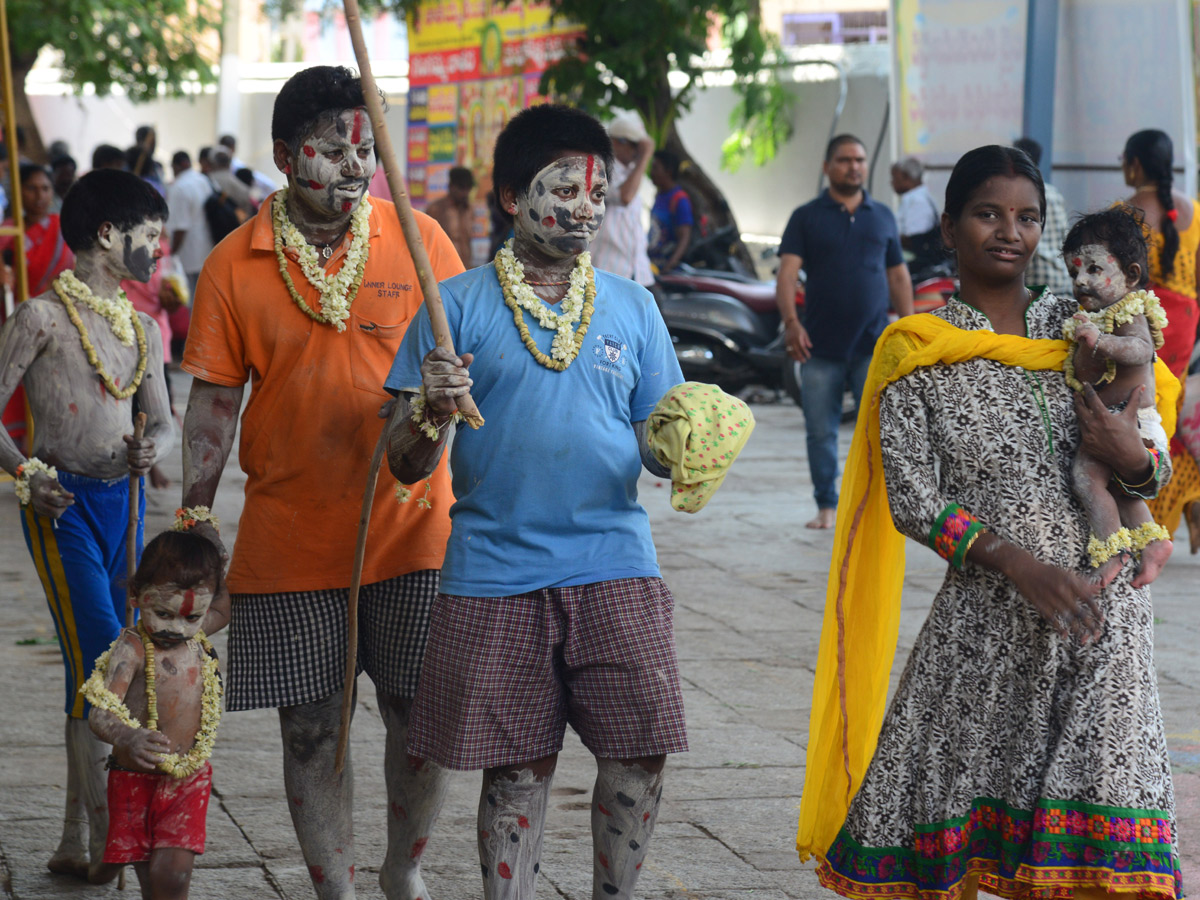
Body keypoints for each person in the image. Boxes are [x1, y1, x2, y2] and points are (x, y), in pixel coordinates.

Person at [797, 144, 1183, 900]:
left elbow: (1155, 459)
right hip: (988, 627)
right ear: (948, 226)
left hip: (1104, 623)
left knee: (1101, 861)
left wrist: (1129, 458)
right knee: (954, 832)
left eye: (1028, 217)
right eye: (989, 214)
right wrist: (1020, 566)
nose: (1011, 232)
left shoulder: (1083, 327)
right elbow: (914, 498)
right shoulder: (918, 352)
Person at [383, 102, 688, 900]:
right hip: (492, 571)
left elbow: (660, 445)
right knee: (518, 767)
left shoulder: (635, 307)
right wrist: (429, 411)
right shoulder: (453, 309)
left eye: (599, 191)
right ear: (514, 198)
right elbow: (406, 466)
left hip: (617, 561)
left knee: (638, 755)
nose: (587, 206)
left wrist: (692, 444)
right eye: (568, 188)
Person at [179, 65, 463, 900]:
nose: (353, 166)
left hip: (416, 527)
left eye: (366, 149)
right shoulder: (233, 265)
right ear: (281, 156)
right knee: (309, 732)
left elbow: (463, 362)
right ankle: (334, 889)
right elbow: (212, 406)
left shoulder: (422, 242)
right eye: (332, 150)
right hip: (290, 535)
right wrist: (196, 509)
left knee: (421, 723)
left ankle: (402, 872)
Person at [0, 168, 174, 882]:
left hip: (124, 507)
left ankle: (80, 838)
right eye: (150, 237)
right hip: (62, 507)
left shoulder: (143, 327)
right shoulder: (39, 317)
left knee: (99, 667)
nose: (160, 251)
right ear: (108, 235)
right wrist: (24, 474)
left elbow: (162, 421)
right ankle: (106, 838)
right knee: (103, 662)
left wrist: (150, 449)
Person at [774, 133, 914, 530]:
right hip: (818, 345)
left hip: (873, 344)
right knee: (820, 432)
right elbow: (787, 275)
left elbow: (898, 276)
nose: (854, 166)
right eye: (844, 160)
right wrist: (791, 324)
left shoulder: (882, 215)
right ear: (827, 167)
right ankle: (827, 507)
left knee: (879, 433)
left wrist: (907, 329)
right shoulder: (806, 216)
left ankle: (874, 507)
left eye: (860, 160)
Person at [83, 526, 229, 897]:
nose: (176, 629)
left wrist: (220, 561)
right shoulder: (130, 650)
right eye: (163, 613)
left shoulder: (196, 634)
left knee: (173, 875)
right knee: (154, 883)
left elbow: (226, 604)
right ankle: (104, 864)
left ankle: (107, 863)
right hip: (135, 780)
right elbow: (99, 714)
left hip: (187, 778)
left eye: (191, 618)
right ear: (135, 595)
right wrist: (128, 737)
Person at [1060, 207, 1172, 581]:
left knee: (1085, 478)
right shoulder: (1096, 315)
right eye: (1074, 270)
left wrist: (1101, 341)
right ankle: (1151, 543)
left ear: (1131, 275)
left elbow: (1141, 350)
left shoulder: (1128, 310)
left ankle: (1112, 550)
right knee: (1121, 490)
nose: (1080, 281)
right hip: (1116, 425)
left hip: (1134, 423)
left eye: (1094, 269)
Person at [1121, 128, 1200, 553]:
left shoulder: (1122, 214)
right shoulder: (1196, 214)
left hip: (1142, 322)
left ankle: (1143, 511)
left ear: (1134, 165)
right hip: (1185, 323)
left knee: (1135, 408)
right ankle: (1180, 500)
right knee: (1167, 411)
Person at [590, 110, 655, 288]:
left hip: (638, 272)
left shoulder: (630, 172)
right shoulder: (601, 168)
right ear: (616, 142)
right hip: (609, 270)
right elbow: (624, 196)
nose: (637, 152)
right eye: (635, 146)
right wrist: (645, 156)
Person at [1, 163, 75, 296]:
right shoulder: (8, 230)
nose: (39, 195)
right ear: (18, 191)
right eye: (31, 188)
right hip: (11, 309)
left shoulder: (62, 226)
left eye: (45, 189)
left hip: (54, 306)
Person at [1013, 137, 1072, 297]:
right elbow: (1066, 237)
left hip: (1036, 280)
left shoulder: (1020, 195)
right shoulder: (1053, 193)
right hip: (1061, 277)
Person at [166, 150, 216, 295]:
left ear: (175, 166)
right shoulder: (203, 180)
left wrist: (171, 254)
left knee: (188, 297)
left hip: (187, 252)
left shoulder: (179, 187)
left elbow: (181, 227)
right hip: (207, 247)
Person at [889, 156, 941, 275]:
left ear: (906, 177)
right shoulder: (920, 197)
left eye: (894, 177)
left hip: (918, 265)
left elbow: (915, 239)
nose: (891, 182)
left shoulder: (917, 200)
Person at [647, 149, 694, 272]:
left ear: (668, 172)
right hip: (653, 266)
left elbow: (685, 236)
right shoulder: (659, 196)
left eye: (655, 168)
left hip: (666, 270)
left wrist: (670, 266)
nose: (651, 172)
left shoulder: (679, 199)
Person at [424, 165, 476, 266]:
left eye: (468, 188)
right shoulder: (436, 210)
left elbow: (467, 242)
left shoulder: (469, 210)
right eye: (461, 188)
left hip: (465, 270)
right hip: (443, 270)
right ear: (451, 186)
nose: (465, 193)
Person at [218, 133, 280, 198]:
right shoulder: (215, 166)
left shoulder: (238, 167)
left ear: (233, 149)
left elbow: (269, 185)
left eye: (227, 149)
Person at [207, 147, 253, 217]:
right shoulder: (242, 188)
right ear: (230, 162)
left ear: (211, 163)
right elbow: (247, 216)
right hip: (239, 227)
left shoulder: (204, 182)